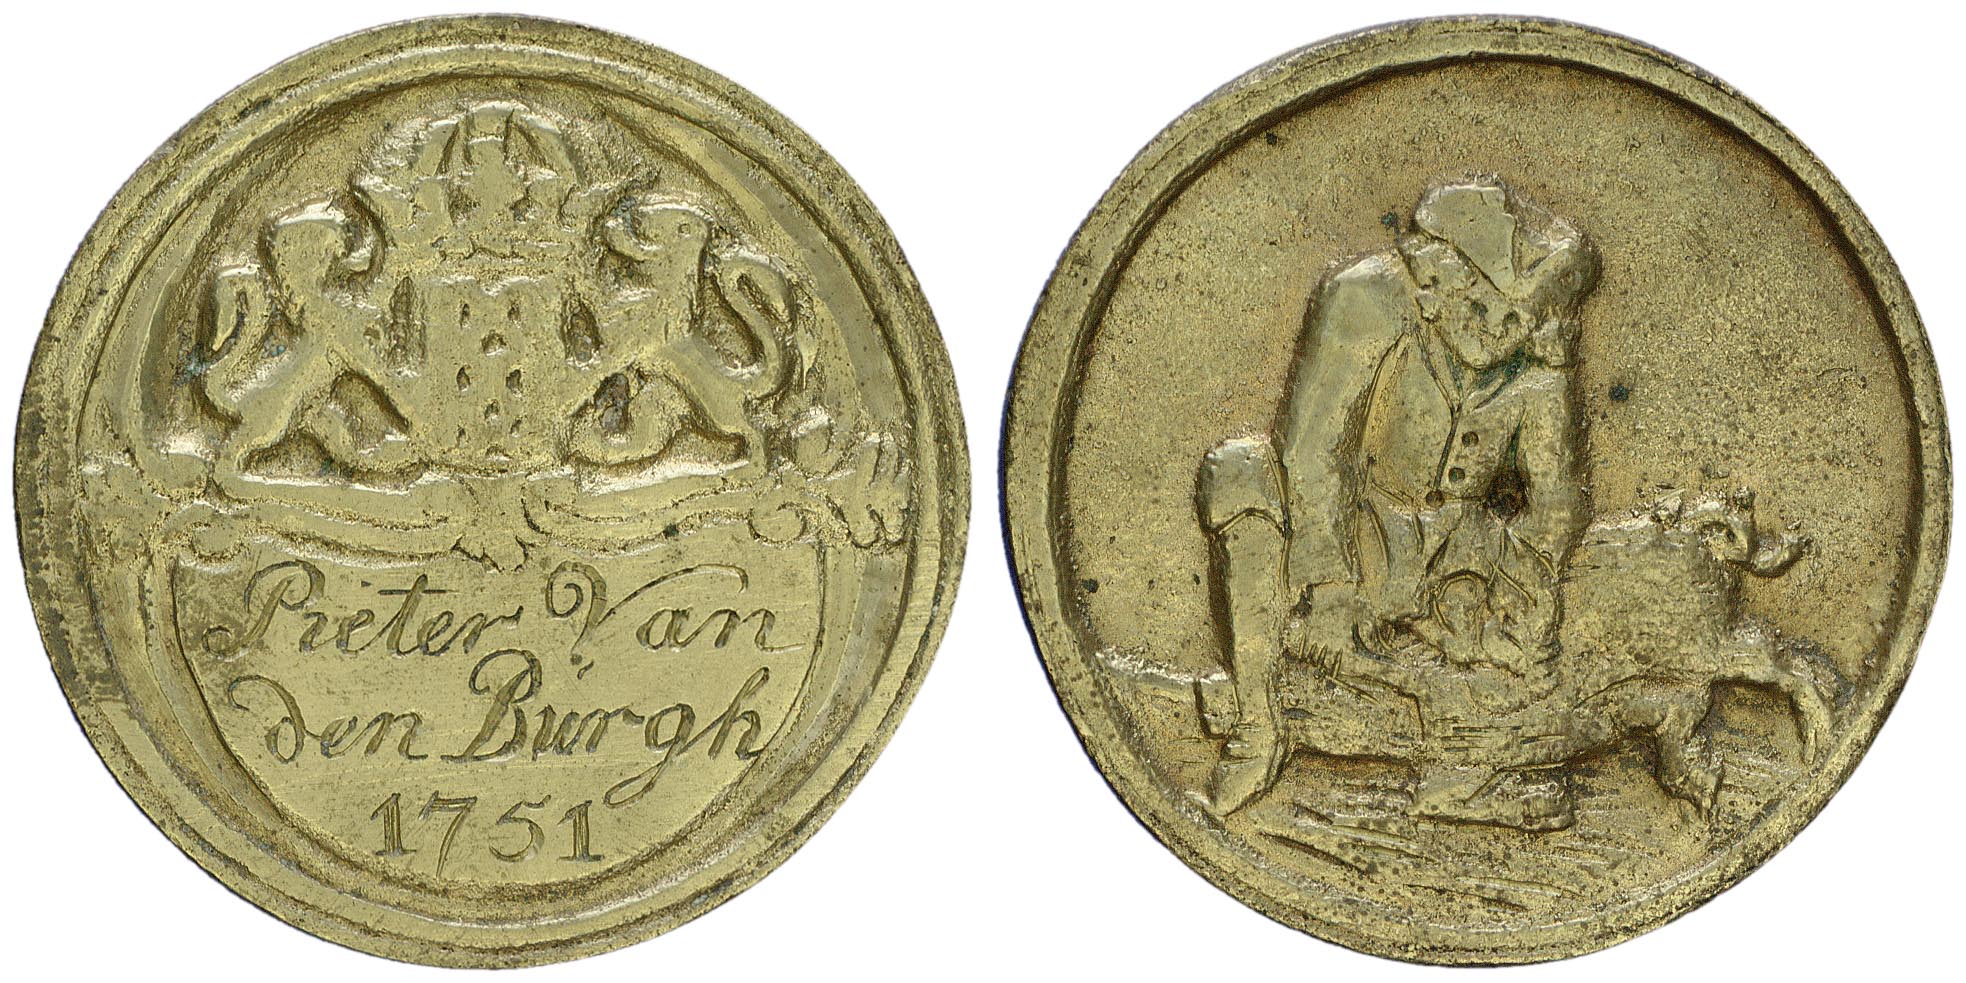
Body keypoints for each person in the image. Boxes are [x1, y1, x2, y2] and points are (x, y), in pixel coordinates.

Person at [1201, 179, 1599, 816]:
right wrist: (1330, 588)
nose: (1502, 337)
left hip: (1456, 568)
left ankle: (1460, 758)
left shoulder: (1533, 360)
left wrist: (1526, 592)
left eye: (1519, 321)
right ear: (1445, 276)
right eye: (1488, 309)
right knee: (1239, 470)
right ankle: (1259, 724)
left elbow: (1555, 504)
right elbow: (1315, 452)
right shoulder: (1365, 297)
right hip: (1349, 541)